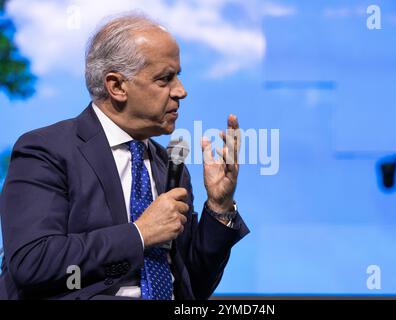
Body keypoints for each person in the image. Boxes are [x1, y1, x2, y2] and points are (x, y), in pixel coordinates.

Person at [0, 14, 249, 300]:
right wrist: (139, 234)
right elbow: (33, 262)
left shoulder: (170, 167)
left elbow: (193, 288)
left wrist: (219, 206)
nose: (181, 91)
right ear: (117, 86)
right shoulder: (46, 150)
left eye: (179, 76)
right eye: (165, 79)